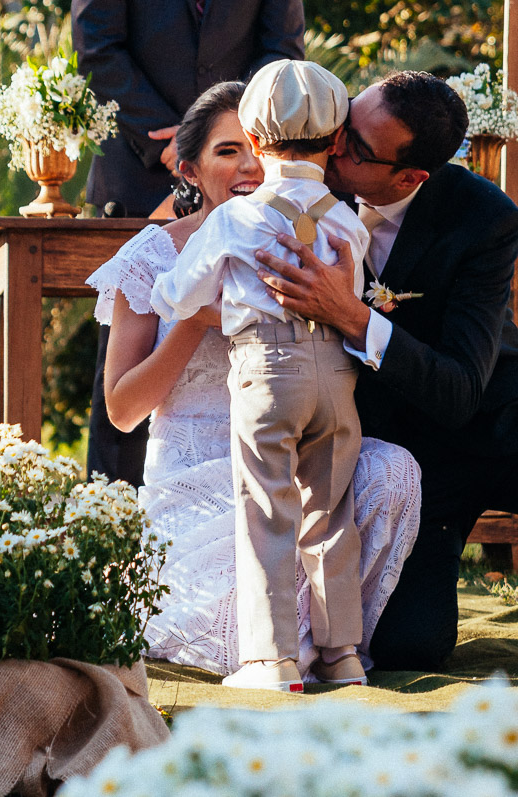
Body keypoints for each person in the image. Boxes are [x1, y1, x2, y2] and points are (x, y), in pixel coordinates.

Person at [256, 71, 518, 668]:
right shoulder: (306, 189)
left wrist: (354, 318)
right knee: (408, 649)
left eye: (356, 148)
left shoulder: (483, 218)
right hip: (409, 458)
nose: (332, 147)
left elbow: (462, 387)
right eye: (341, 129)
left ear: (410, 176)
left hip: (501, 416)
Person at [86, 81, 421, 684]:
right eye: (225, 151)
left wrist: (336, 306)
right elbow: (122, 410)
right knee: (254, 572)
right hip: (197, 480)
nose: (248, 165)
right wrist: (196, 317)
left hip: (290, 438)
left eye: (252, 148)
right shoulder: (153, 255)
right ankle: (301, 649)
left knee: (389, 472)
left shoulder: (314, 235)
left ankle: (322, 647)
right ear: (188, 168)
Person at [151, 61, 370, 691]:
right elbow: (349, 289)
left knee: (266, 509)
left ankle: (270, 660)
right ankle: (342, 656)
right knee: (331, 514)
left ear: (252, 134)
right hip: (335, 373)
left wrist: (173, 294)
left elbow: (180, 292)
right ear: (335, 142)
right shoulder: (346, 219)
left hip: (267, 373)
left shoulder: (232, 219)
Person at [73, 0, 304, 488]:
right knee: (124, 356)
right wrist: (182, 143)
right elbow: (97, 45)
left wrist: (242, 126)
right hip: (140, 168)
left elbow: (282, 50)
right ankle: (113, 522)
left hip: (247, 154)